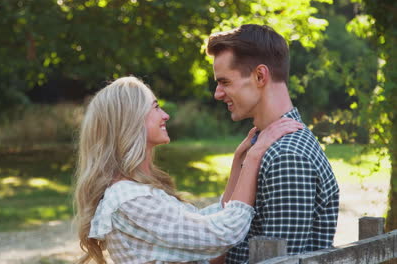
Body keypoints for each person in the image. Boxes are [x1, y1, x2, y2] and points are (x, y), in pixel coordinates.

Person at [73, 76, 303, 263]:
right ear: (130, 120)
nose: (165, 115)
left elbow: (201, 225)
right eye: (155, 108)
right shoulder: (128, 199)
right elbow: (221, 234)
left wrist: (238, 164)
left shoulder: (135, 191)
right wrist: (254, 158)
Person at [206, 24, 340, 263]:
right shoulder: (262, 145)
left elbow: (280, 260)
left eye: (225, 82)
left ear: (260, 76)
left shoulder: (286, 157)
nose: (217, 93)